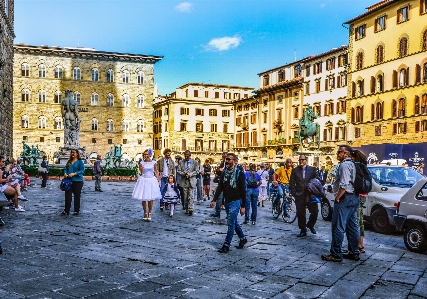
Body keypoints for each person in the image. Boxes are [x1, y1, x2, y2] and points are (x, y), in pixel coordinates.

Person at [321, 145, 360, 262]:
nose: (337, 154)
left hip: (345, 198)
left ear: (346, 154)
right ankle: (354, 252)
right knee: (352, 226)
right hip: (354, 197)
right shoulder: (354, 164)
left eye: (340, 152)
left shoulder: (344, 165)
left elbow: (344, 184)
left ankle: (336, 253)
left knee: (338, 226)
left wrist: (337, 197)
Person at [210, 153, 247, 253]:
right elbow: (220, 187)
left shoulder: (240, 173)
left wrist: (243, 206)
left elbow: (243, 191)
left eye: (229, 159)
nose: (227, 161)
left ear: (234, 161)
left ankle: (226, 245)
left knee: (230, 223)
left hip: (236, 200)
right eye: (226, 159)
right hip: (227, 201)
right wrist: (214, 200)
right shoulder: (224, 173)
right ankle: (243, 238)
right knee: (233, 222)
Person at [289, 154, 319, 237]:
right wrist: (294, 193)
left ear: (306, 160)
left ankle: (310, 225)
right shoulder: (295, 170)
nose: (301, 161)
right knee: (301, 213)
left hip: (310, 195)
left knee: (315, 212)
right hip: (299, 195)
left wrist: (313, 188)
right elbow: (291, 183)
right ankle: (303, 229)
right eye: (300, 160)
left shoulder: (312, 169)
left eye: (303, 160)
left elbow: (317, 180)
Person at [132, 149, 161, 221]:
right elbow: (141, 172)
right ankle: (145, 212)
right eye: (144, 154)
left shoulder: (154, 162)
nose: (146, 155)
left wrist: (159, 180)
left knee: (151, 198)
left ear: (150, 155)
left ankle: (150, 212)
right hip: (144, 180)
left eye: (147, 154)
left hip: (151, 180)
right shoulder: (141, 163)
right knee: (144, 198)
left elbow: (156, 171)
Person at [351, 149, 368, 254]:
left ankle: (357, 245)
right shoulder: (364, 166)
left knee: (356, 221)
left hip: (357, 195)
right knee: (360, 221)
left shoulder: (356, 166)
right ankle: (361, 244)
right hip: (363, 195)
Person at [61, 149, 85, 216]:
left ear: (77, 154)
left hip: (78, 181)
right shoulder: (69, 161)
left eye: (74, 152)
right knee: (67, 195)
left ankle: (76, 210)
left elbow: (82, 170)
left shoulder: (80, 162)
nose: (72, 154)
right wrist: (65, 173)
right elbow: (65, 168)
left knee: (77, 196)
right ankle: (66, 210)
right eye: (71, 152)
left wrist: (74, 173)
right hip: (69, 180)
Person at [177, 150, 199, 216]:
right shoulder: (181, 162)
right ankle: (186, 208)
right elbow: (178, 171)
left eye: (188, 155)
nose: (186, 156)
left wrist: (190, 174)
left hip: (192, 180)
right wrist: (184, 174)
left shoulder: (195, 162)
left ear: (190, 155)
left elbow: (197, 171)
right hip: (184, 181)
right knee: (185, 196)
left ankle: (190, 209)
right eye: (185, 155)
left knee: (191, 196)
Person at [211, 152, 227, 217]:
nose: (224, 158)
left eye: (225, 157)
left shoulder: (231, 164)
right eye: (223, 157)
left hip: (228, 184)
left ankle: (228, 214)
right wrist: (218, 170)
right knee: (219, 198)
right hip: (221, 182)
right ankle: (217, 212)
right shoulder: (222, 163)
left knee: (228, 199)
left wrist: (223, 170)